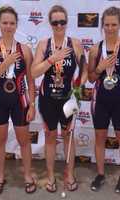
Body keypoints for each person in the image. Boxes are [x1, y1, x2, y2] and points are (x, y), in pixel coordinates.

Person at [31, 5, 87, 193]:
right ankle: (50, 176)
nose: (59, 25)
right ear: (50, 23)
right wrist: (51, 59)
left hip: (67, 100)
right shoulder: (44, 45)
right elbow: (33, 72)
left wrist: (78, 90)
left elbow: (85, 71)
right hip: (48, 100)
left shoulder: (75, 44)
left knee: (68, 137)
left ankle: (69, 174)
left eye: (62, 21)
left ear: (67, 22)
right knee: (50, 138)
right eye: (55, 22)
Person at [0, 6, 36, 195]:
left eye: (12, 23)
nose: (8, 26)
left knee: (24, 140)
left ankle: (28, 175)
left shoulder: (25, 50)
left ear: (16, 25)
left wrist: (32, 104)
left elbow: (30, 80)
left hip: (20, 100)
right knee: (0, 140)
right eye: (4, 22)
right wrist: (5, 64)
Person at [88, 6, 120, 193]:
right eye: (107, 24)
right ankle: (100, 174)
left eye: (114, 24)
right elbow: (91, 78)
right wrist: (99, 68)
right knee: (99, 138)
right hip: (100, 100)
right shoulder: (95, 49)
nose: (110, 28)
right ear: (102, 26)